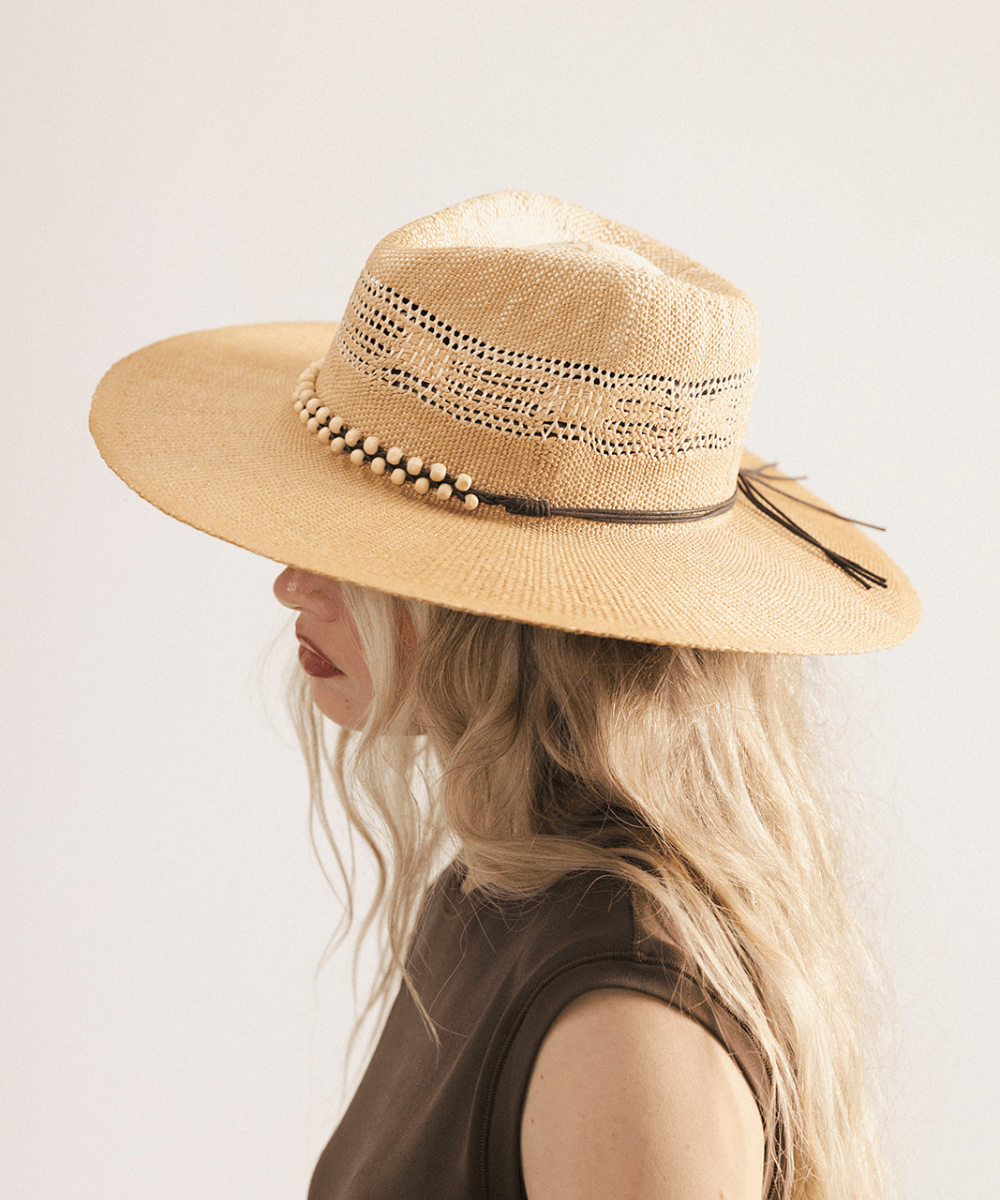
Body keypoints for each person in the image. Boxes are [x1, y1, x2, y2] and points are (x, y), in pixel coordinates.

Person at [90, 190, 920, 1200]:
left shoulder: (622, 1022)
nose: (291, 582)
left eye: (358, 543)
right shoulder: (502, 891)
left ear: (506, 610)